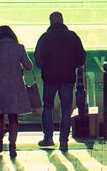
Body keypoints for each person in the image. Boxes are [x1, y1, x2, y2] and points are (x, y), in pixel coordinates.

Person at [35, 12, 86, 151]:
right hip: (67, 78)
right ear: (63, 20)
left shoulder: (44, 38)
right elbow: (82, 57)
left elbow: (38, 59)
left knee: (48, 107)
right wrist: (71, 65)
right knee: (66, 109)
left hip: (49, 78)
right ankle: (63, 141)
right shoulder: (72, 36)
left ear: (50, 22)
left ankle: (48, 138)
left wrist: (46, 67)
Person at [0, 26, 33, 158]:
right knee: (13, 116)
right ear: (12, 35)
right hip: (15, 86)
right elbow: (29, 66)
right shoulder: (19, 48)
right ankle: (12, 146)